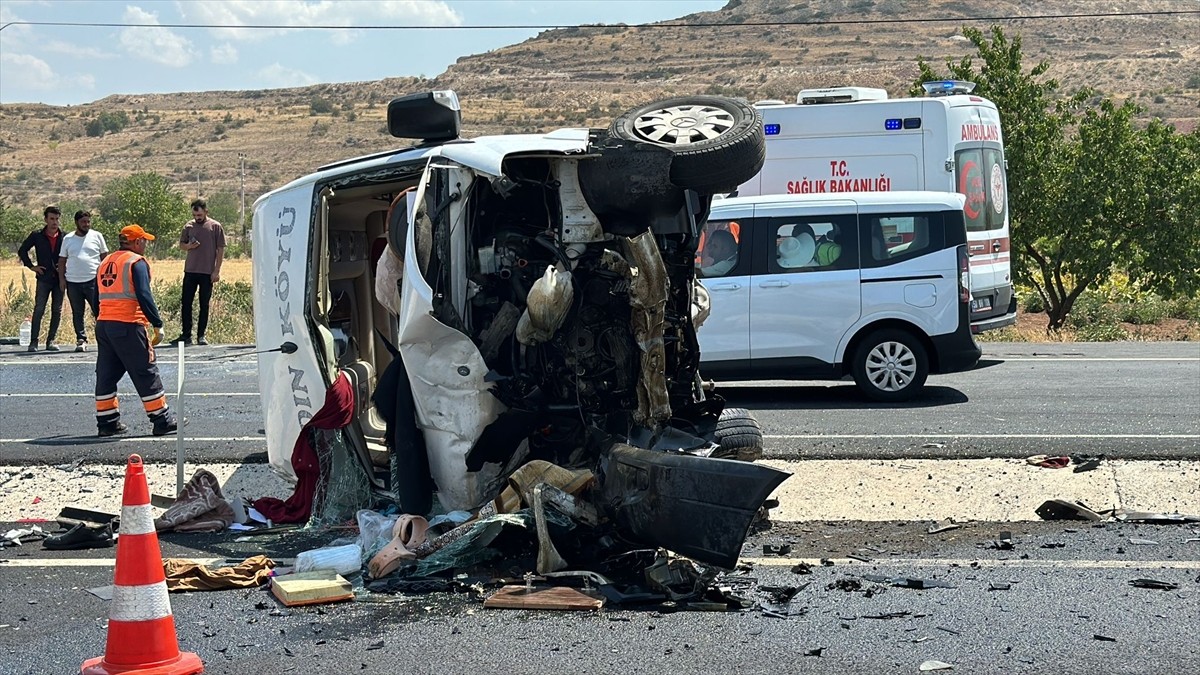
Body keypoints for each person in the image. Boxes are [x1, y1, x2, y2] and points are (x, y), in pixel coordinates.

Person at [94, 225, 176, 437]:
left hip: (104, 325)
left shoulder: (105, 262)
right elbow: (144, 295)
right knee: (145, 370)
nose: (146, 244)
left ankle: (107, 422)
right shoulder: (135, 262)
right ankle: (161, 420)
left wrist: (103, 320)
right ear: (137, 241)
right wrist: (157, 323)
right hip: (129, 324)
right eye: (144, 240)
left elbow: (97, 296)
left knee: (106, 374)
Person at [172, 198, 225, 346]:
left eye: (199, 215)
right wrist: (189, 246)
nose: (197, 218)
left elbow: (220, 250)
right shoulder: (188, 226)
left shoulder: (215, 227)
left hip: (207, 272)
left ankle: (201, 336)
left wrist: (216, 271)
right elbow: (181, 245)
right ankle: (186, 335)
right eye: (195, 215)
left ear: (206, 212)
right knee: (186, 303)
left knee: (204, 304)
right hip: (190, 270)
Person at [57, 210, 109, 352]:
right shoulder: (68, 239)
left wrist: (105, 280)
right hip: (73, 282)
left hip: (94, 281)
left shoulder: (97, 236)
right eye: (83, 222)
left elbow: (105, 259)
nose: (86, 224)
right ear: (76, 223)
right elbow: (62, 261)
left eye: (88, 222)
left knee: (99, 311)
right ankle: (81, 340)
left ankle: (105, 340)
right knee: (77, 312)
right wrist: (62, 279)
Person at [16, 206, 65, 352]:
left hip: (59, 279)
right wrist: (32, 266)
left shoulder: (65, 236)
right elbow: (22, 250)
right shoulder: (37, 235)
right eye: (51, 219)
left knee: (57, 310)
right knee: (39, 309)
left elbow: (71, 254)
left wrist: (65, 268)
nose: (54, 222)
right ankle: (34, 342)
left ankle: (51, 340)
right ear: (45, 219)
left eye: (56, 219)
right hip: (43, 278)